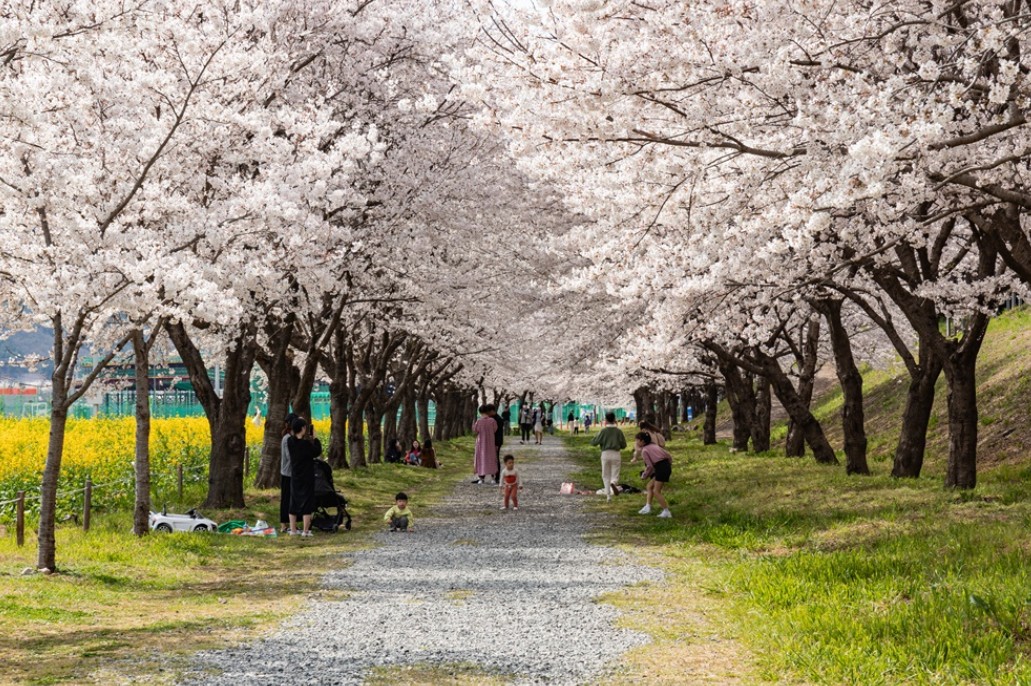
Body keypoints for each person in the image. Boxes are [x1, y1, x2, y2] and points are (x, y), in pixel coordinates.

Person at [287, 417, 323, 536]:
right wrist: (315, 438)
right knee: (307, 501)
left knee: (294, 501)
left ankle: (293, 530)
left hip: (295, 475)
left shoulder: (290, 442)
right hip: (306, 476)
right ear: (302, 429)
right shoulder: (305, 444)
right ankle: (305, 531)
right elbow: (317, 451)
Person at [635, 431, 672, 518]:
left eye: (637, 440)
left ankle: (666, 511)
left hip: (661, 468)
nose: (636, 442)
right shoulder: (654, 445)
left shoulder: (644, 450)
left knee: (656, 491)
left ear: (642, 441)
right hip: (665, 466)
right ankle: (648, 506)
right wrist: (668, 465)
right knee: (649, 486)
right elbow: (668, 456)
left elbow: (649, 466)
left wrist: (644, 476)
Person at [591, 412, 627, 501]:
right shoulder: (619, 431)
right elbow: (624, 445)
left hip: (605, 454)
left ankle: (608, 496)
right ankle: (613, 483)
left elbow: (594, 442)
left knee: (605, 475)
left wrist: (596, 436)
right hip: (616, 454)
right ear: (614, 419)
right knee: (615, 474)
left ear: (606, 420)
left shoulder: (603, 431)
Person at [279, 412, 299, 533]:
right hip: (287, 473)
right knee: (286, 499)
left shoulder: (293, 437)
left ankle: (293, 524)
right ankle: (283, 525)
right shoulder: (287, 439)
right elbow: (289, 456)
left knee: (293, 499)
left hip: (294, 473)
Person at [472, 404, 499, 484]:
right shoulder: (492, 421)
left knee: (481, 458)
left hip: (481, 442)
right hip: (490, 442)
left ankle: (481, 477)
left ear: (480, 412)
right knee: (491, 458)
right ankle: (493, 477)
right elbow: (495, 429)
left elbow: (475, 431)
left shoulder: (479, 421)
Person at [490, 404, 504, 483]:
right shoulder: (492, 418)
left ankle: (497, 476)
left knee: (496, 458)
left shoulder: (498, 419)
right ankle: (492, 476)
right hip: (493, 441)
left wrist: (497, 444)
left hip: (497, 442)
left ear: (492, 411)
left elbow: (498, 433)